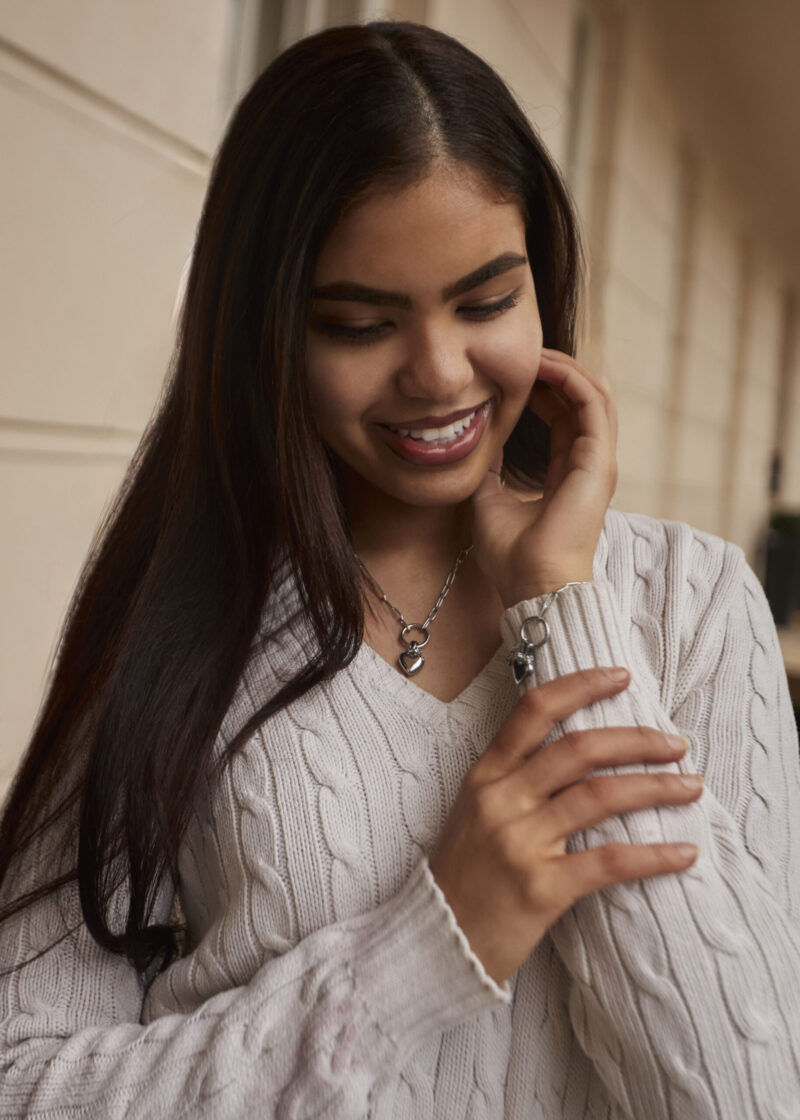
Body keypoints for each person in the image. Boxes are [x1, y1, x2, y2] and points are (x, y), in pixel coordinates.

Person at [1, 20, 798, 1120]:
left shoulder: (695, 604)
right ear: (268, 331)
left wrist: (563, 607)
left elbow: (749, 1097)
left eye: (485, 302)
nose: (436, 373)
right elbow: (23, 1079)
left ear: (541, 286)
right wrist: (428, 948)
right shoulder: (179, 625)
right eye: (358, 323)